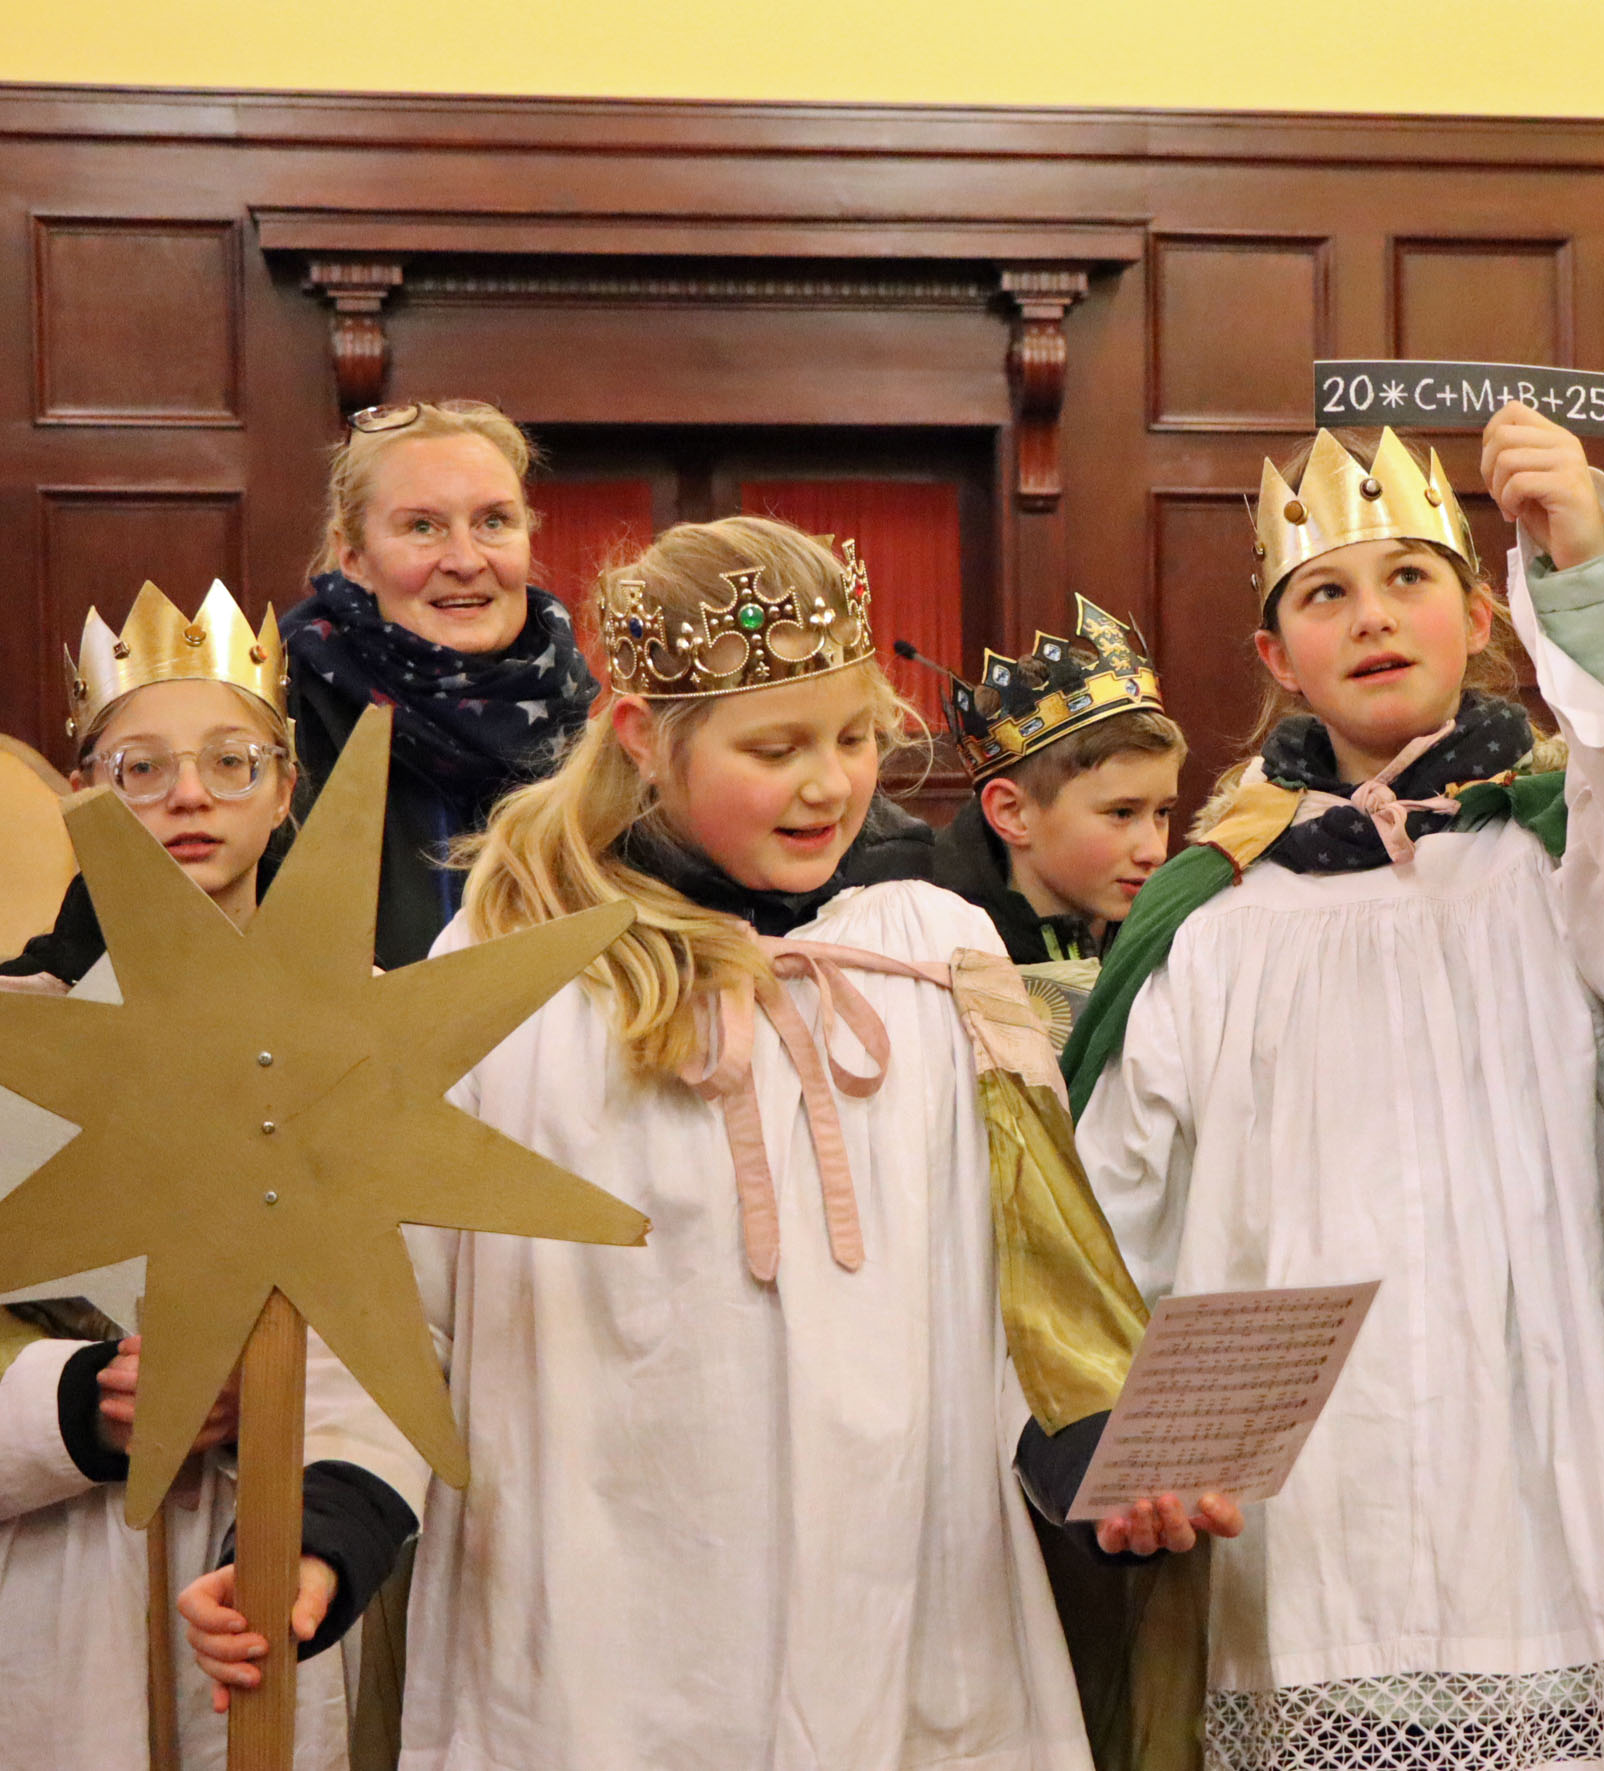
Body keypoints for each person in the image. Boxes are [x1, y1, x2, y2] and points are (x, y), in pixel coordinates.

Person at [176, 516, 1236, 1770]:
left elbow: (1032, 1284)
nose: (831, 783)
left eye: (854, 738)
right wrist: (322, 1531)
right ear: (643, 739)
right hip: (603, 1641)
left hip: (908, 1627)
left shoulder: (941, 945)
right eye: (775, 747)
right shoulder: (507, 975)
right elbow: (400, 1313)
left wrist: (1106, 1462)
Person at [1061, 406, 1604, 1771]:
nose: (1370, 615)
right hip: (1309, 1497)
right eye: (1324, 593)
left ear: (1480, 613)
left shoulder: (1568, 856)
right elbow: (1108, 1210)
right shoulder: (1216, 915)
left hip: (1554, 1447)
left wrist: (1586, 564)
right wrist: (1118, 1444)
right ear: (1273, 658)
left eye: (1409, 577)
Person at [1, 579, 417, 1769]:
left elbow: (423, 1323)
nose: (188, 795)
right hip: (62, 1586)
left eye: (233, 762)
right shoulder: (11, 1035)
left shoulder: (382, 1032)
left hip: (284, 1557)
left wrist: (324, 1517)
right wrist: (76, 1406)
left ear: (287, 790)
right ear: (85, 797)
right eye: (139, 768)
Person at [280, 400, 601, 969]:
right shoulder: (274, 716)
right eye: (422, 527)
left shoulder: (589, 722)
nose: (465, 559)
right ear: (353, 555)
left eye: (493, 522)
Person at [913, 600, 1185, 965]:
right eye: (1122, 813)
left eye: (1163, 812)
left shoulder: (1176, 944)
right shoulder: (925, 951)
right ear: (1012, 812)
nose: (1155, 851)